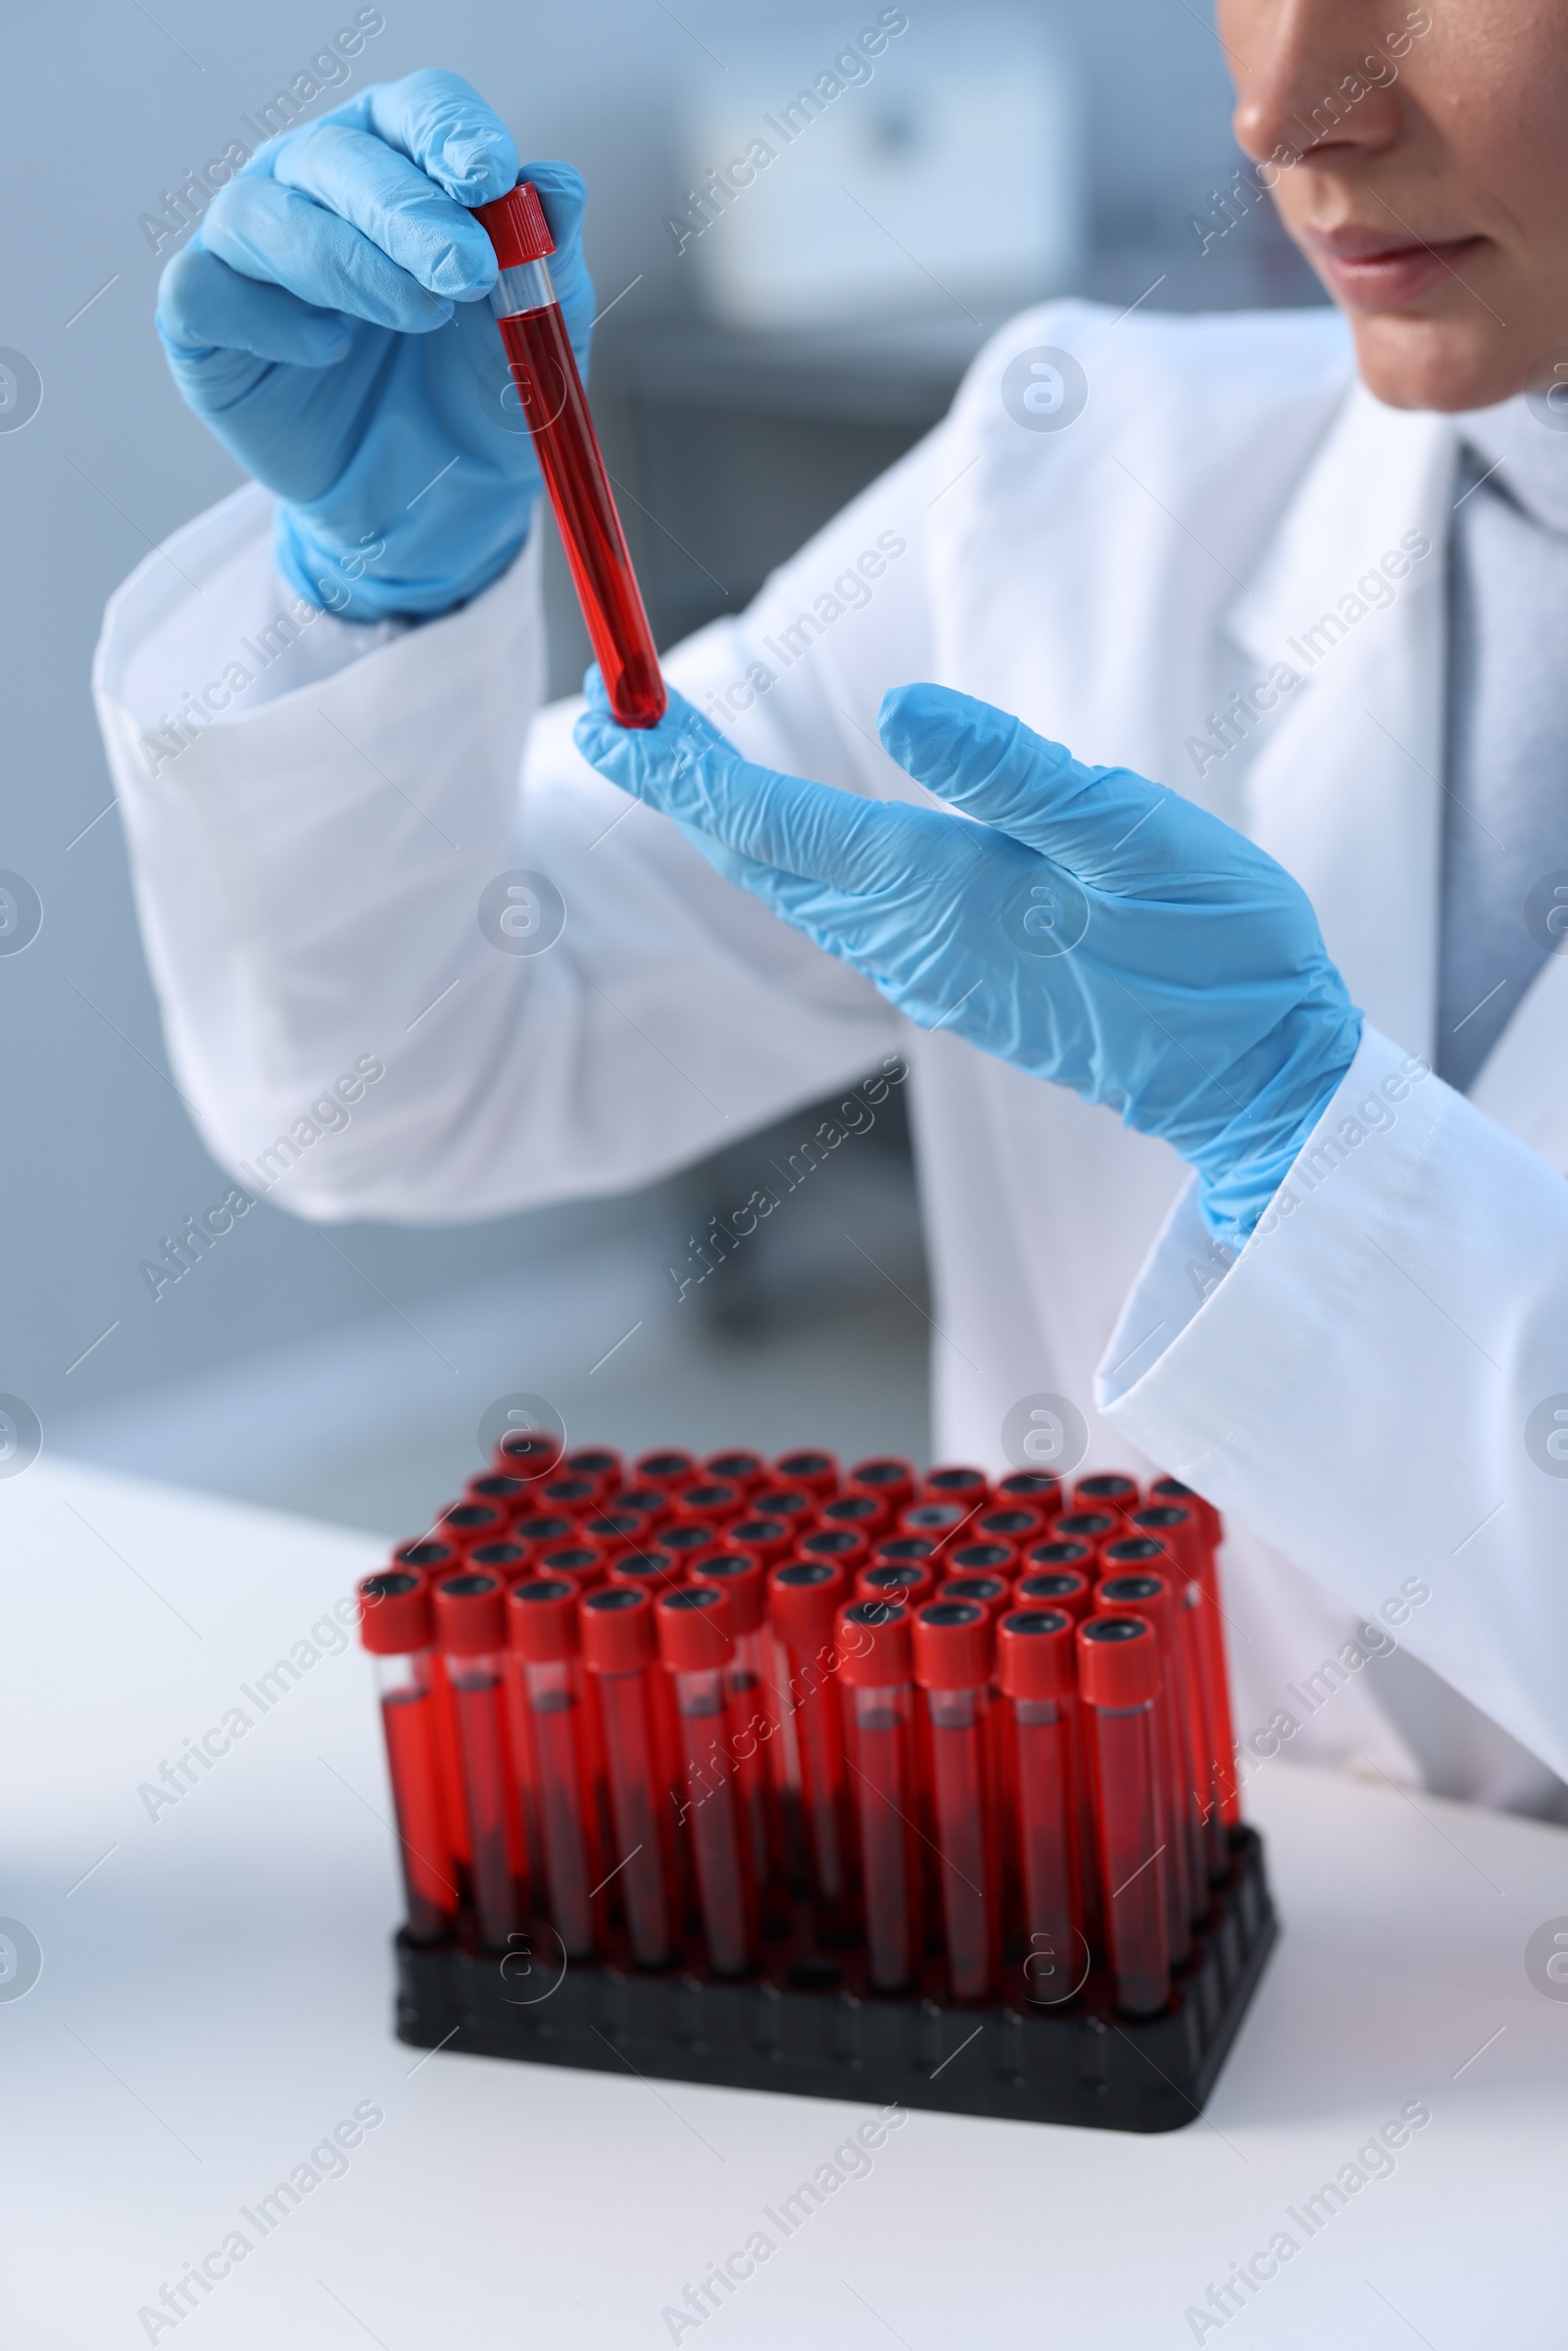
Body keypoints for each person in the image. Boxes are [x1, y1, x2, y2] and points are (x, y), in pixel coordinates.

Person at [93, 8, 1568, 1814]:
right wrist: (378, 601)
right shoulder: (1085, 474)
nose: (1286, 105)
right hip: (1087, 1907)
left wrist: (1300, 1139)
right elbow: (420, 1073)